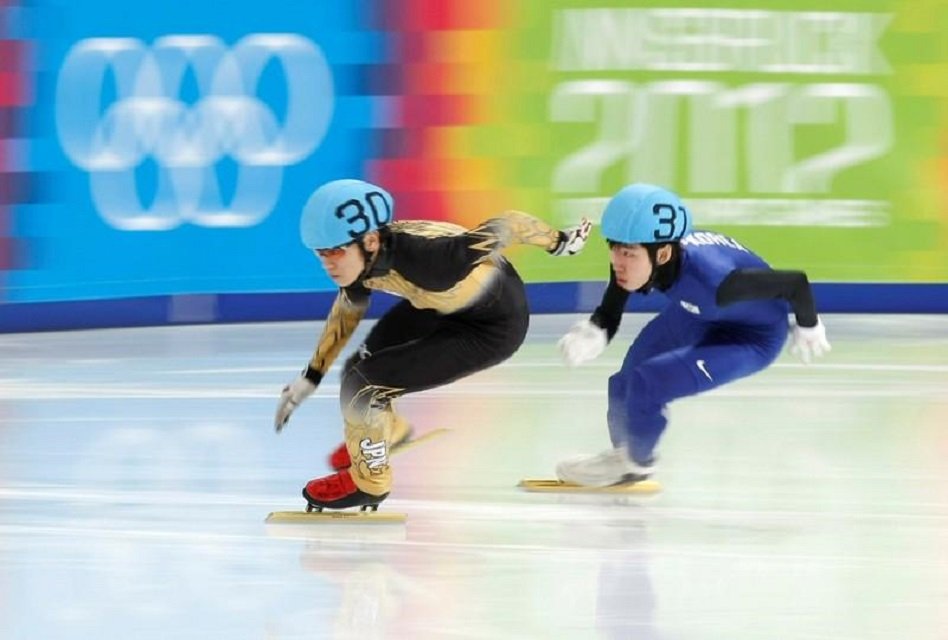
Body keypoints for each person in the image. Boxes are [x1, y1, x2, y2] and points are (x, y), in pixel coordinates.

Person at [275, 178, 592, 510]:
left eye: (335, 252)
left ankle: (369, 483)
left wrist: (560, 242)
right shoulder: (364, 258)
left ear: (370, 241)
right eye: (320, 253)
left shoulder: (432, 260)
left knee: (362, 385)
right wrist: (310, 376)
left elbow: (507, 224)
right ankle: (388, 432)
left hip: (491, 328)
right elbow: (346, 313)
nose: (328, 263)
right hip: (438, 305)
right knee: (360, 364)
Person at [556, 183, 830, 487]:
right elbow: (619, 288)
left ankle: (638, 462)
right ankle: (626, 456)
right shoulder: (643, 250)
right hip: (696, 313)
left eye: (628, 253)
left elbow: (795, 282)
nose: (618, 261)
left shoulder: (717, 279)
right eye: (614, 248)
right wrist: (600, 327)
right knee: (624, 383)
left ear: (661, 254)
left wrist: (808, 324)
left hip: (751, 337)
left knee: (650, 383)